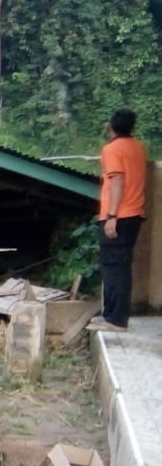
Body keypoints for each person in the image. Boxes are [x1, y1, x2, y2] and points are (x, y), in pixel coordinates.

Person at [89, 108, 147, 332]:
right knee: (121, 267)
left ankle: (115, 319)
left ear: (110, 126)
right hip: (134, 215)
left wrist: (112, 216)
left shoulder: (112, 149)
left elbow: (117, 182)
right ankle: (113, 315)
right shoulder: (138, 148)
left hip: (119, 216)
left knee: (114, 268)